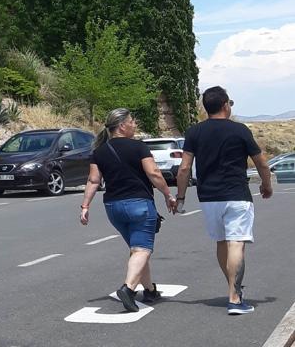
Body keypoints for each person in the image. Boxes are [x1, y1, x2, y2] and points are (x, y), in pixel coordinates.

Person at [174, 86, 273, 315]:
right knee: (236, 243)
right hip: (236, 194)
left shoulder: (194, 132)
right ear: (225, 105)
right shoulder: (240, 130)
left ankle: (233, 289)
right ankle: (235, 298)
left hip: (209, 198)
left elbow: (184, 168)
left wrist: (180, 197)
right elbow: (262, 163)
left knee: (221, 242)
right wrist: (266, 185)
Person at [80, 107, 177, 312]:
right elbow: (154, 173)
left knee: (136, 250)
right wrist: (168, 195)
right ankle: (128, 289)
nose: (135, 124)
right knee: (142, 249)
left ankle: (149, 290)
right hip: (139, 205)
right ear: (122, 126)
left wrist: (85, 206)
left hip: (113, 208)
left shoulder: (99, 151)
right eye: (132, 121)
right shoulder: (138, 147)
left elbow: (93, 180)